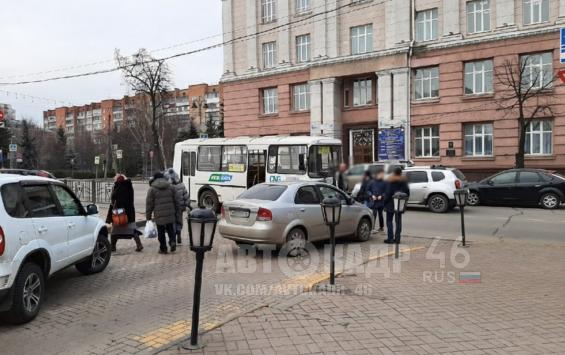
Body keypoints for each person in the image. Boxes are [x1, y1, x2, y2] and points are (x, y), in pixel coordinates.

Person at [106, 174, 143, 252]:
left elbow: (113, 203)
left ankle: (113, 247)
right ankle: (139, 244)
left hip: (119, 213)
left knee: (115, 231)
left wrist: (108, 218)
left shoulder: (117, 188)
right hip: (129, 212)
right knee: (132, 229)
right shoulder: (129, 187)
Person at [146, 172, 179, 254]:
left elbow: (149, 204)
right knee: (170, 229)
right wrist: (177, 212)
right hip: (170, 213)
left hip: (159, 215)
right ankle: (172, 242)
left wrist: (148, 217)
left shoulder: (152, 189)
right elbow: (177, 201)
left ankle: (163, 248)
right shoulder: (171, 187)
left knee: (161, 232)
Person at [383, 167, 410, 244]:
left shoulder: (390, 180)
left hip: (390, 204)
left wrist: (384, 203)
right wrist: (404, 202)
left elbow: (388, 193)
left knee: (389, 221)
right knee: (398, 222)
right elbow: (408, 193)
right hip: (400, 204)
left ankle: (390, 238)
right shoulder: (404, 181)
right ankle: (397, 239)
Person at [164, 168, 189, 244]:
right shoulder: (181, 185)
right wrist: (187, 204)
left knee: (172, 222)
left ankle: (173, 237)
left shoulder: (169, 187)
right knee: (179, 220)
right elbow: (186, 196)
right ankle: (179, 234)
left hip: (171, 207)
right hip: (180, 207)